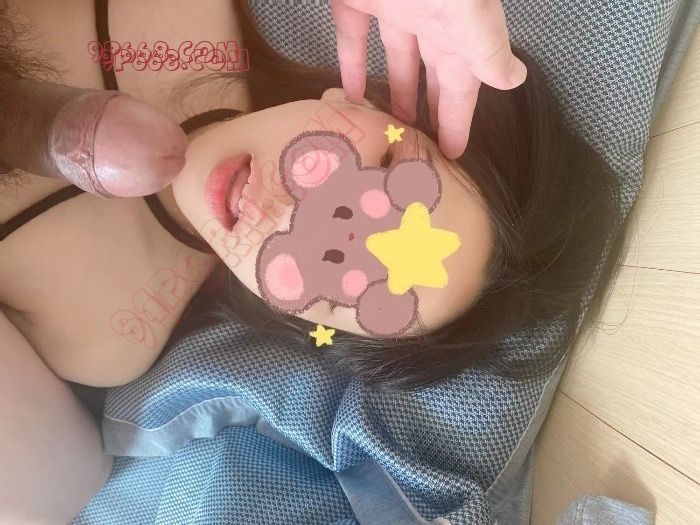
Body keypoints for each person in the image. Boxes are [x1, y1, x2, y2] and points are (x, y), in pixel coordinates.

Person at [0, 0, 627, 522]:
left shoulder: (105, 336)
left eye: (343, 285)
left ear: (302, 321)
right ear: (368, 103)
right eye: (382, 167)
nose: (283, 212)